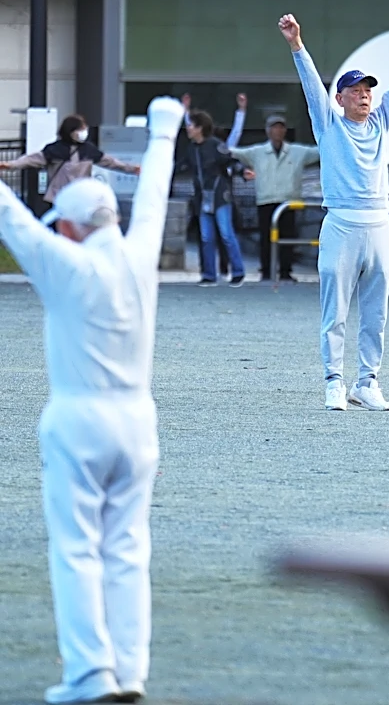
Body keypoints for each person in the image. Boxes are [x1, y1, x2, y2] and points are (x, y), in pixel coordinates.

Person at [0, 96, 185, 705]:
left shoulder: (64, 263)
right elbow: (154, 191)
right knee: (128, 550)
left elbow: (9, 216)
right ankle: (129, 673)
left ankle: (89, 675)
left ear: (73, 226)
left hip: (79, 417)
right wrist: (163, 129)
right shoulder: (139, 255)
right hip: (139, 423)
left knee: (76, 551)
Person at [279, 12, 389, 411]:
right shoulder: (328, 124)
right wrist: (296, 44)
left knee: (377, 313)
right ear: (340, 98)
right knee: (334, 309)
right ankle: (333, 382)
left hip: (379, 224)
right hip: (341, 222)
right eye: (356, 90)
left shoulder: (381, 122)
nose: (365, 95)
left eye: (368, 89)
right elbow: (310, 88)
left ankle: (367, 381)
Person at [229, 114, 319, 281]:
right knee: (266, 238)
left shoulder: (297, 151)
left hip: (289, 201)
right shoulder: (257, 152)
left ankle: (285, 271)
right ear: (267, 130)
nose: (277, 130)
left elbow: (320, 152)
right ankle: (266, 271)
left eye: (280, 127)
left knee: (288, 237)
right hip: (266, 200)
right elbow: (234, 153)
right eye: (274, 127)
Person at [0, 114, 141, 210]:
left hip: (81, 198)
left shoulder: (88, 149)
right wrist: (10, 165)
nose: (84, 131)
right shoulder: (54, 150)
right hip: (58, 199)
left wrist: (132, 169)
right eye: (80, 128)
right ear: (70, 131)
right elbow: (32, 159)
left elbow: (110, 162)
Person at [175, 109, 247, 287]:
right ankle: (209, 274)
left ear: (200, 128)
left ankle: (238, 272)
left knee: (226, 234)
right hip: (202, 198)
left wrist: (243, 172)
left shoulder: (215, 145)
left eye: (191, 125)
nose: (188, 129)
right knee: (206, 237)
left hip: (219, 195)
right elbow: (180, 166)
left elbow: (230, 161)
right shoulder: (191, 149)